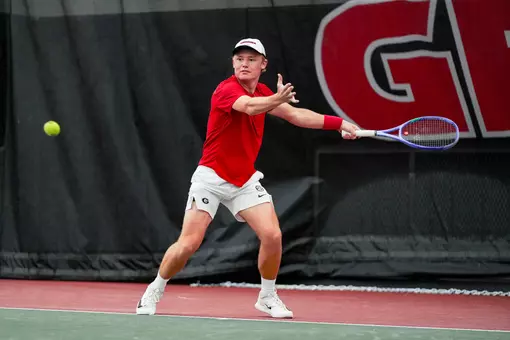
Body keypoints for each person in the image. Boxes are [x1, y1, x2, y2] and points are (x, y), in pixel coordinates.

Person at [136, 38, 360, 319]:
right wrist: (275, 100)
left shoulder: (264, 92)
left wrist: (339, 124)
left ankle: (267, 296)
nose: (244, 63)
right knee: (189, 243)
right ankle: (154, 289)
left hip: (243, 181)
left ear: (263, 65)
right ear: (233, 63)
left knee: (272, 235)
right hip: (211, 178)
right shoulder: (226, 90)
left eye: (252, 59)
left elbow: (295, 115)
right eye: (240, 58)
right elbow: (251, 107)